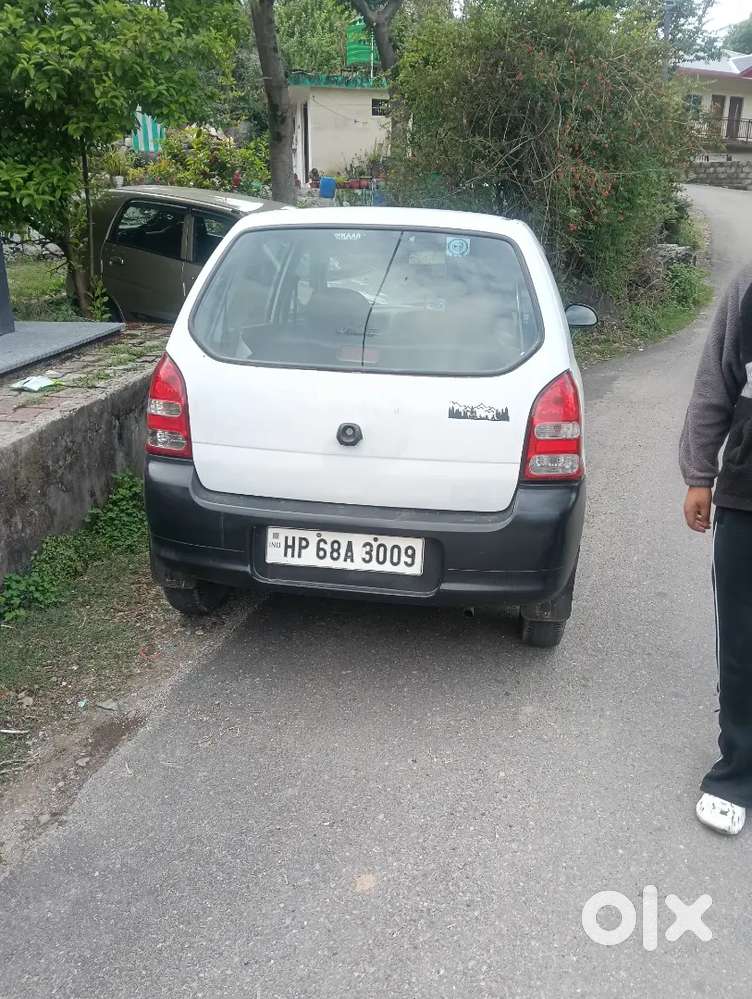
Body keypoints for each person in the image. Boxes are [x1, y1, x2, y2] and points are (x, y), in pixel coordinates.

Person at [680, 268, 752, 835]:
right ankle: (737, 774)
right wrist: (699, 474)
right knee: (743, 642)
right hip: (747, 496)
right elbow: (716, 380)